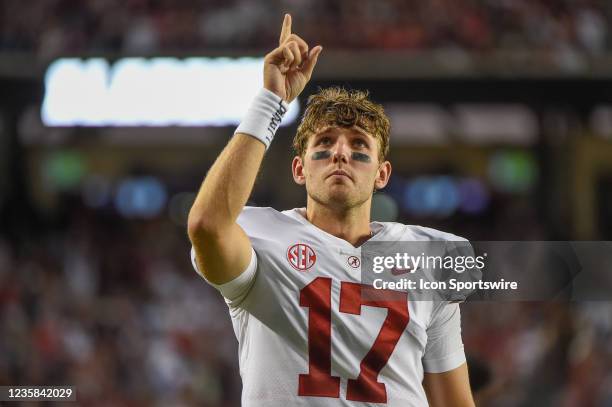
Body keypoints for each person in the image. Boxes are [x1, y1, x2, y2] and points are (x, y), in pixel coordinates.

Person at [188, 13, 475, 407]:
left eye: (359, 147)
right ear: (299, 169)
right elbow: (206, 225)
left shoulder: (431, 257)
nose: (341, 153)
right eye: (324, 144)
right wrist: (270, 101)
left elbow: (453, 401)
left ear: (382, 174)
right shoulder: (261, 240)